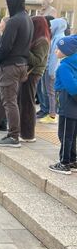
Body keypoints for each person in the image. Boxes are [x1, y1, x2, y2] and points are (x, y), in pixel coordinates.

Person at [0, 0, 33, 147]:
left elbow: (5, 46)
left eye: (8, 3)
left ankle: (13, 136)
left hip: (10, 66)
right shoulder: (27, 19)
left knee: (9, 101)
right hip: (21, 65)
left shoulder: (14, 21)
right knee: (1, 99)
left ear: (13, 2)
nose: (7, 7)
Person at [18, 16, 50, 142]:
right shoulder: (38, 39)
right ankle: (22, 131)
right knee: (24, 102)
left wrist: (24, 49)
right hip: (29, 73)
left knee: (27, 103)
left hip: (33, 74)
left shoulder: (42, 41)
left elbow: (37, 60)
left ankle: (28, 135)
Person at [49, 35, 77, 174]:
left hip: (67, 105)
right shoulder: (74, 64)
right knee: (72, 135)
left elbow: (72, 87)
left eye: (59, 49)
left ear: (67, 51)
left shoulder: (64, 66)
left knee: (64, 135)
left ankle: (64, 163)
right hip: (73, 107)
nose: (56, 51)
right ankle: (72, 160)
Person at [39, 18, 67, 125]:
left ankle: (52, 115)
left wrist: (51, 72)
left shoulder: (59, 38)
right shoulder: (57, 37)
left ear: (57, 26)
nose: (50, 28)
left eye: (52, 25)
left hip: (52, 70)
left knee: (51, 93)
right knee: (50, 92)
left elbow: (55, 57)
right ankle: (51, 113)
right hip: (51, 69)